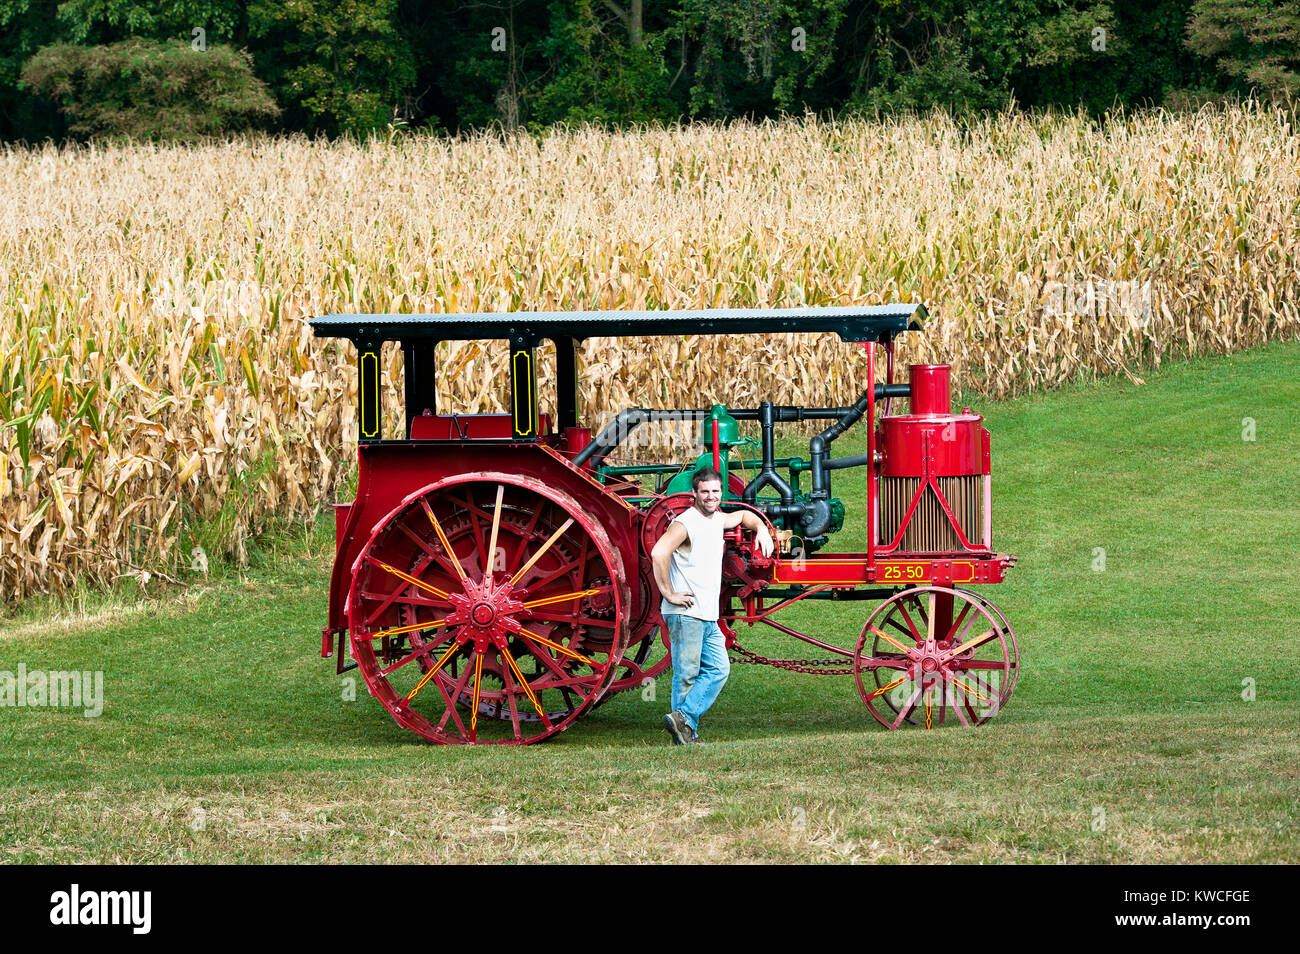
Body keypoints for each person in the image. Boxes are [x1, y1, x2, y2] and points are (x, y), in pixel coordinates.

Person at [651, 467, 773, 745]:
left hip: (707, 614)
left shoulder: (717, 519)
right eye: (705, 491)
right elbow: (659, 552)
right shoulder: (685, 522)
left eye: (715, 491)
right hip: (686, 613)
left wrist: (761, 527)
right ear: (694, 493)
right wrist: (668, 593)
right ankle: (686, 734)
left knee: (719, 669)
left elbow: (742, 515)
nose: (710, 496)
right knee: (687, 675)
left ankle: (684, 719)